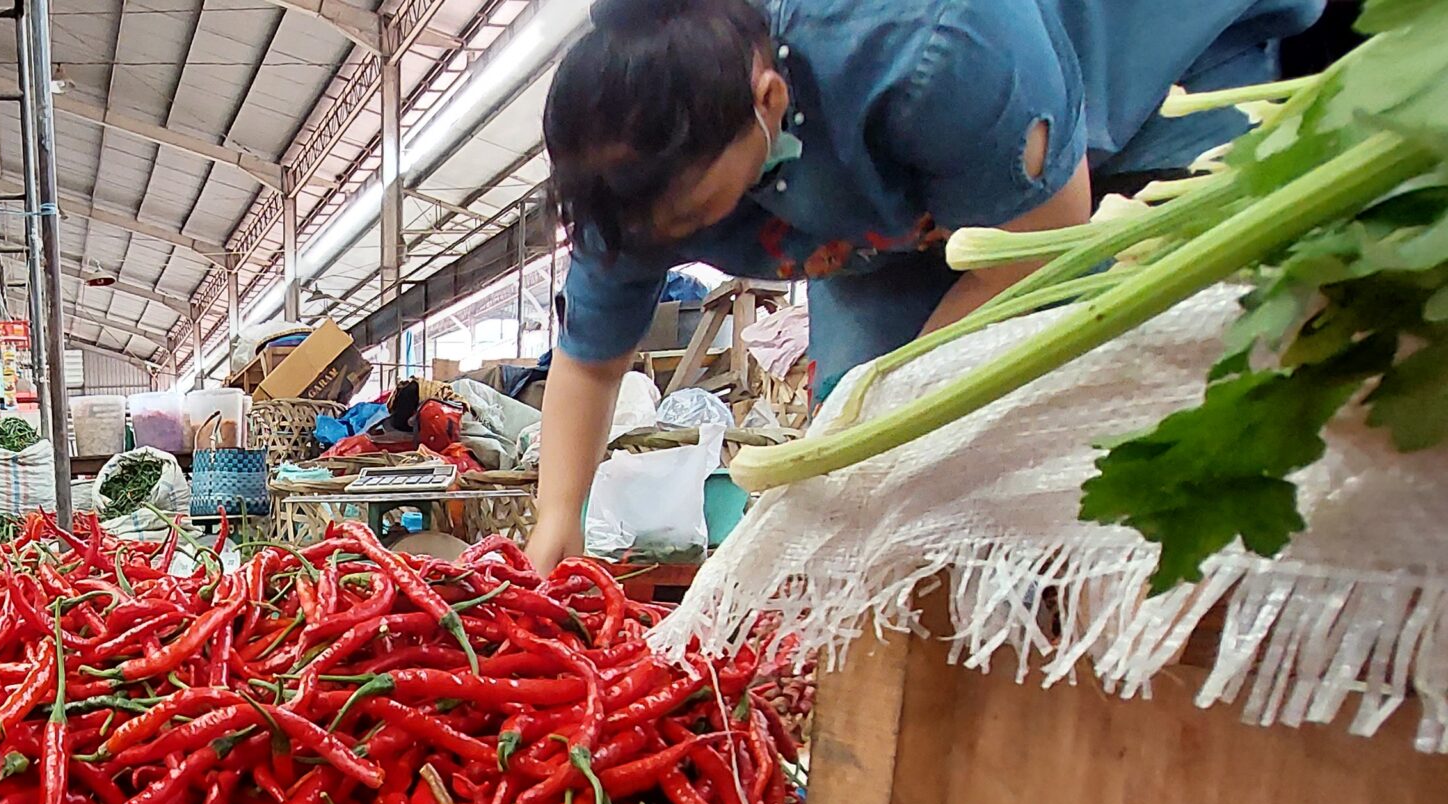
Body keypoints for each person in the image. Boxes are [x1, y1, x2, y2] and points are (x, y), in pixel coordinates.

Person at [523, 0, 1326, 572]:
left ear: (767, 101)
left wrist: (895, 405)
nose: (672, 241)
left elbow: (1037, 245)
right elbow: (593, 360)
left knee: (1132, 377)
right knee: (866, 466)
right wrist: (560, 517)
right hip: (900, 211)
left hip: (1143, 73)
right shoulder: (635, 181)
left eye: (696, 213)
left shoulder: (923, 40)